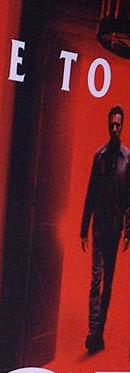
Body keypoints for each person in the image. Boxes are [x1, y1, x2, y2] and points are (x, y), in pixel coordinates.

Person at [80, 104, 130, 355]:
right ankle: (93, 331)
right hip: (99, 227)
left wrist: (127, 231)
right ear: (107, 124)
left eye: (118, 125)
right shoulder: (99, 156)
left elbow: (129, 199)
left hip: (114, 228)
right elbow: (90, 192)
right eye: (111, 124)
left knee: (108, 283)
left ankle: (99, 330)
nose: (114, 128)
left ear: (122, 126)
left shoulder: (127, 158)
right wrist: (83, 228)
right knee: (96, 280)